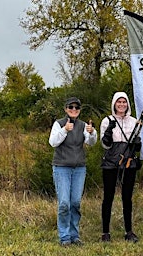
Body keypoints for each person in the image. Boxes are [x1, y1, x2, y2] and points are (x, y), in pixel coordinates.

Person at [48, 97, 97, 246]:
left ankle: (74, 235)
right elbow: (53, 142)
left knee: (75, 203)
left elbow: (91, 142)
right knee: (64, 203)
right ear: (65, 109)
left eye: (77, 107)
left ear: (80, 110)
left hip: (79, 169)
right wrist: (64, 130)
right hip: (61, 168)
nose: (74, 110)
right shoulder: (59, 124)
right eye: (71, 107)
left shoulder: (83, 125)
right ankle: (64, 237)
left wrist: (93, 132)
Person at [99, 92, 142, 243]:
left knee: (127, 198)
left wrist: (137, 145)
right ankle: (105, 232)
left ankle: (129, 231)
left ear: (128, 104)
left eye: (124, 102)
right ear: (114, 104)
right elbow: (105, 145)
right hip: (111, 163)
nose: (122, 105)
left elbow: (137, 146)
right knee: (108, 197)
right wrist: (108, 132)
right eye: (119, 102)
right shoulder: (107, 121)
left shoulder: (134, 121)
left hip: (129, 163)